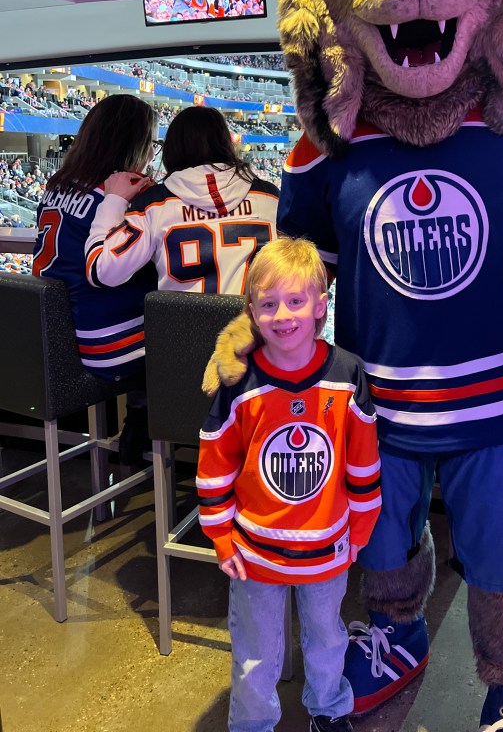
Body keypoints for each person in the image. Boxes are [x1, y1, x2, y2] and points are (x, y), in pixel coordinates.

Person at [197, 238, 382, 732]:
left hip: (327, 548)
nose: (283, 315)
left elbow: (362, 464)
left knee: (327, 638)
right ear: (251, 312)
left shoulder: (347, 374)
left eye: (296, 301)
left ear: (321, 305)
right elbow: (216, 461)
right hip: (255, 552)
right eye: (269, 303)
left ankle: (330, 710)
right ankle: (253, 724)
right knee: (255, 653)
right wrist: (220, 535)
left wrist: (359, 529)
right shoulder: (240, 382)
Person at [32, 94, 158, 463]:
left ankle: (139, 418)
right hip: (105, 348)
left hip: (56, 340)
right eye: (150, 142)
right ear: (133, 143)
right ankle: (145, 421)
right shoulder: (124, 195)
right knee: (187, 333)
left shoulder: (58, 184)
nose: (152, 152)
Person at [84, 106, 279, 294]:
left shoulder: (154, 203)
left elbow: (102, 272)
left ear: (173, 147)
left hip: (181, 326)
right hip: (252, 325)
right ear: (226, 143)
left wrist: (114, 200)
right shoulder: (268, 196)